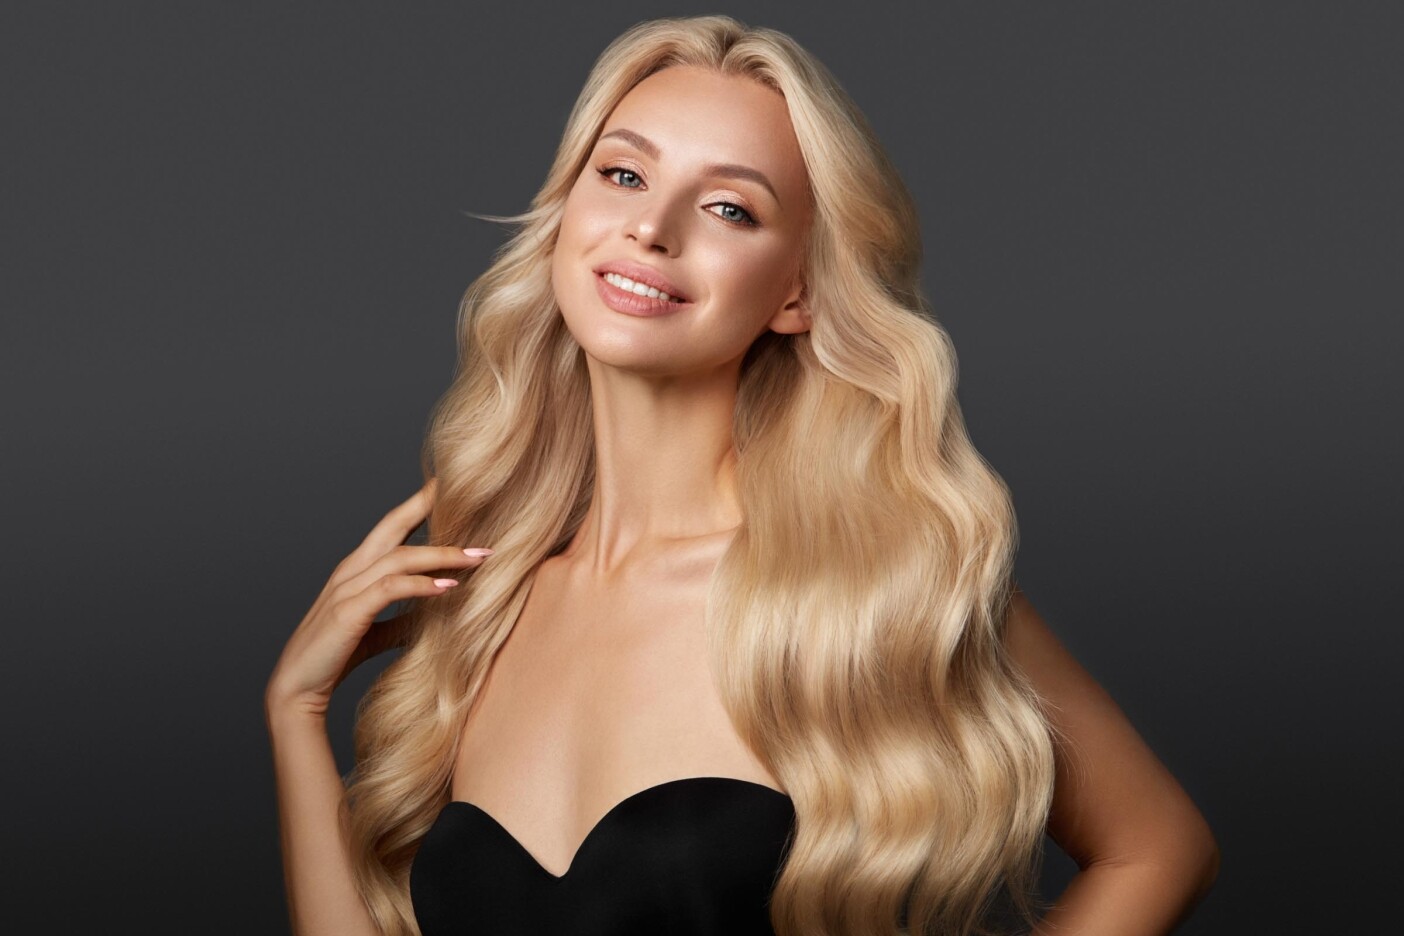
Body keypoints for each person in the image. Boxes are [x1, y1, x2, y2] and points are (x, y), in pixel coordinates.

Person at [264, 15, 1219, 936]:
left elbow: (1157, 847)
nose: (651, 227)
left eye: (729, 207)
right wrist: (297, 713)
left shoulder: (877, 589)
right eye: (624, 174)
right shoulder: (485, 603)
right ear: (567, 214)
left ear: (798, 291)